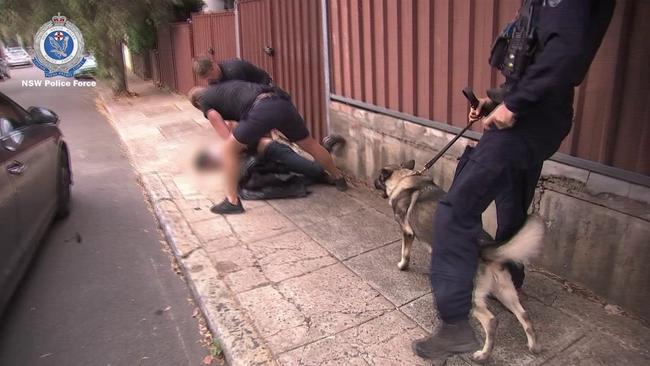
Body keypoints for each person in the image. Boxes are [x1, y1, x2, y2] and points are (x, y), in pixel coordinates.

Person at [412, 0, 616, 362]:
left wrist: (515, 103)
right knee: (509, 204)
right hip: (533, 118)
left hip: (531, 120)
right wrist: (496, 103)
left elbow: (566, 52)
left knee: (453, 213)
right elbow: (535, 62)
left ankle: (456, 325)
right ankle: (510, 280)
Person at [189, 82, 347, 214]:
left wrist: (231, 145)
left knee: (228, 150)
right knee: (310, 144)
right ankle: (338, 177)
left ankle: (232, 202)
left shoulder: (205, 102)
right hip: (280, 101)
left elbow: (223, 132)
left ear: (197, 104)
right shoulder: (223, 90)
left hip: (262, 109)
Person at [193, 56, 272, 85]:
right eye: (205, 78)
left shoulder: (233, 71)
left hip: (263, 85)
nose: (208, 80)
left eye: (208, 76)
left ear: (213, 66)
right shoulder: (212, 81)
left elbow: (244, 95)